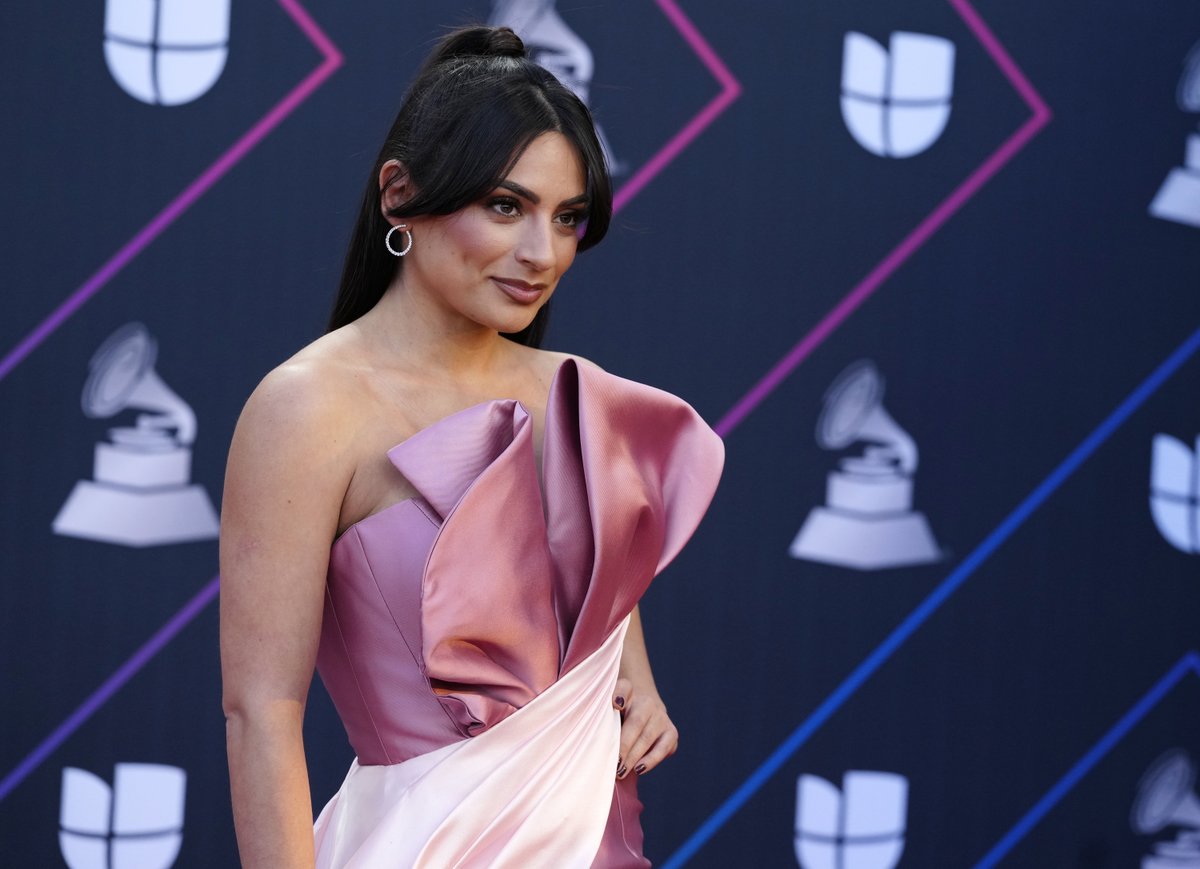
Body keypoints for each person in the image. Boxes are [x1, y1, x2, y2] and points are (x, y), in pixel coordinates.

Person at [219, 24, 723, 868]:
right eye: (505, 205)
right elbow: (261, 711)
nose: (542, 253)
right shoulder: (308, 409)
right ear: (399, 195)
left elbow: (600, 578)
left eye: (567, 218)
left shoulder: (578, 391)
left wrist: (632, 677)